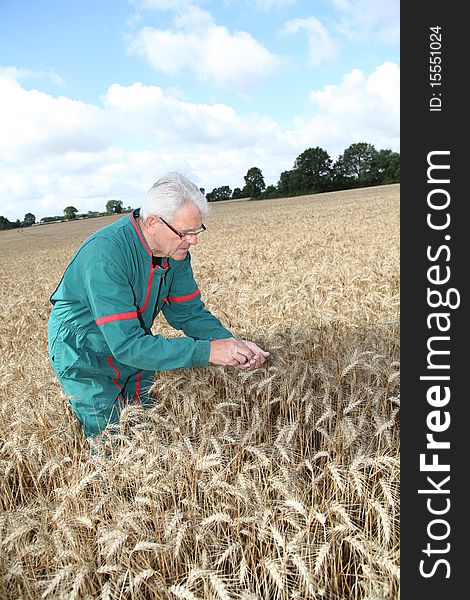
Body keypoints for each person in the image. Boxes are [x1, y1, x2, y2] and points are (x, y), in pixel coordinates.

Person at [48, 172, 269, 442]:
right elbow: (128, 345)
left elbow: (189, 312)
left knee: (145, 424)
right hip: (83, 351)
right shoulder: (105, 256)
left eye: (197, 231)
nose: (193, 240)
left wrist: (232, 344)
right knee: (112, 437)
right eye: (185, 232)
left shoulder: (174, 251)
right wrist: (209, 351)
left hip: (134, 341)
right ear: (152, 222)